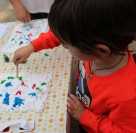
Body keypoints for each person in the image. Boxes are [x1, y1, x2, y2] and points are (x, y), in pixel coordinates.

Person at [13, 0, 136, 132]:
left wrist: (84, 116)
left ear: (101, 50)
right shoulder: (96, 44)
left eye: (66, 46)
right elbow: (64, 33)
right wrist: (32, 47)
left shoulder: (126, 97)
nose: (63, 45)